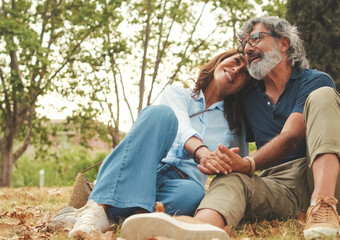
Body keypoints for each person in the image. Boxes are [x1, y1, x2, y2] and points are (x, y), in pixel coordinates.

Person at [122, 16, 340, 240]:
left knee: (324, 96)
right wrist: (222, 160)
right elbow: (213, 114)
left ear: (283, 43)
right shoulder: (248, 97)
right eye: (244, 44)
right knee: (230, 179)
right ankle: (200, 229)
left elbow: (292, 136)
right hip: (280, 187)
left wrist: (248, 163)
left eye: (255, 39)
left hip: (338, 181)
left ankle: (323, 205)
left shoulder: (313, 80)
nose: (248, 48)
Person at [68, 49, 253, 238]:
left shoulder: (235, 125)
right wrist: (203, 152)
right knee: (160, 113)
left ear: (245, 87)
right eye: (236, 60)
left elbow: (238, 165)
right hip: (143, 169)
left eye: (245, 72)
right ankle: (95, 210)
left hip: (181, 184)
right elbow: (181, 127)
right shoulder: (177, 94)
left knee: (194, 193)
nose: (237, 69)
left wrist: (224, 164)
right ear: (219, 61)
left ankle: (128, 215)